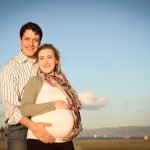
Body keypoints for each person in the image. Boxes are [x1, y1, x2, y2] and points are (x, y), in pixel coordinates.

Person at [0, 22, 55, 150]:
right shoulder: (10, 68)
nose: (31, 44)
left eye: (35, 40)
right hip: (20, 128)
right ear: (20, 40)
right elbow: (11, 108)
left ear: (40, 42)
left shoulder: (44, 63)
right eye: (27, 39)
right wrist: (34, 127)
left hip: (44, 121)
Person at [20, 43, 82, 150]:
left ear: (56, 60)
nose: (46, 61)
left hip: (65, 142)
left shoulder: (64, 84)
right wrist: (53, 105)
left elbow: (75, 111)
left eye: (49, 57)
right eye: (41, 58)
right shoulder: (35, 81)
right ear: (38, 62)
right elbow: (25, 109)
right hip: (40, 141)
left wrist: (76, 130)